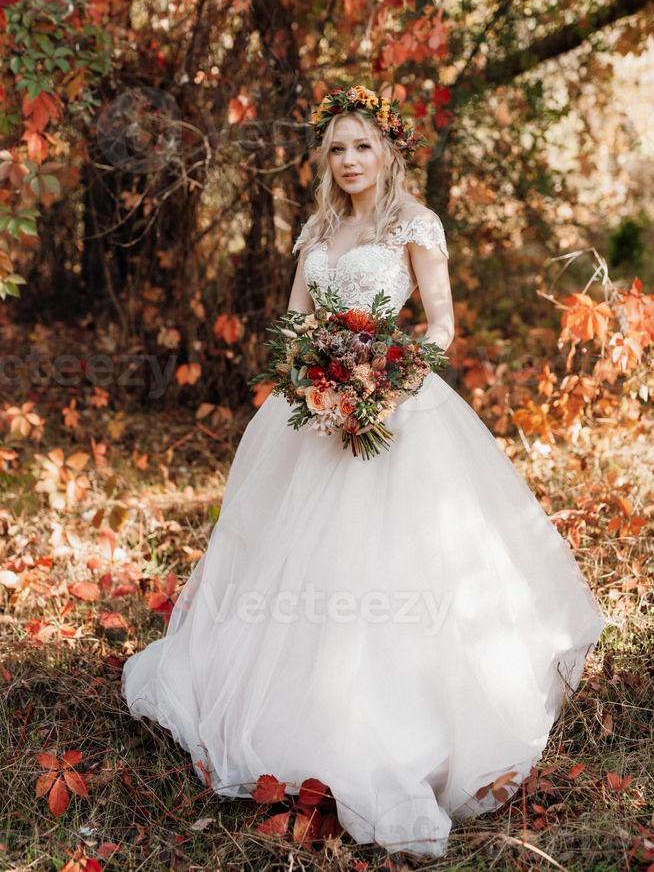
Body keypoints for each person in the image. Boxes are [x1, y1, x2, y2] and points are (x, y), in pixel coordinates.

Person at [121, 85, 606, 859]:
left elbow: (441, 323)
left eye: (363, 146)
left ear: (389, 151)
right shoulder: (318, 227)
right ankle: (289, 709)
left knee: (390, 564)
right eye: (338, 148)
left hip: (396, 406)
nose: (350, 161)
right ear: (327, 159)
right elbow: (293, 323)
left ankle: (393, 724)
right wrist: (312, 376)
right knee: (292, 564)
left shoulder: (414, 223)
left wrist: (389, 381)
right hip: (313, 412)